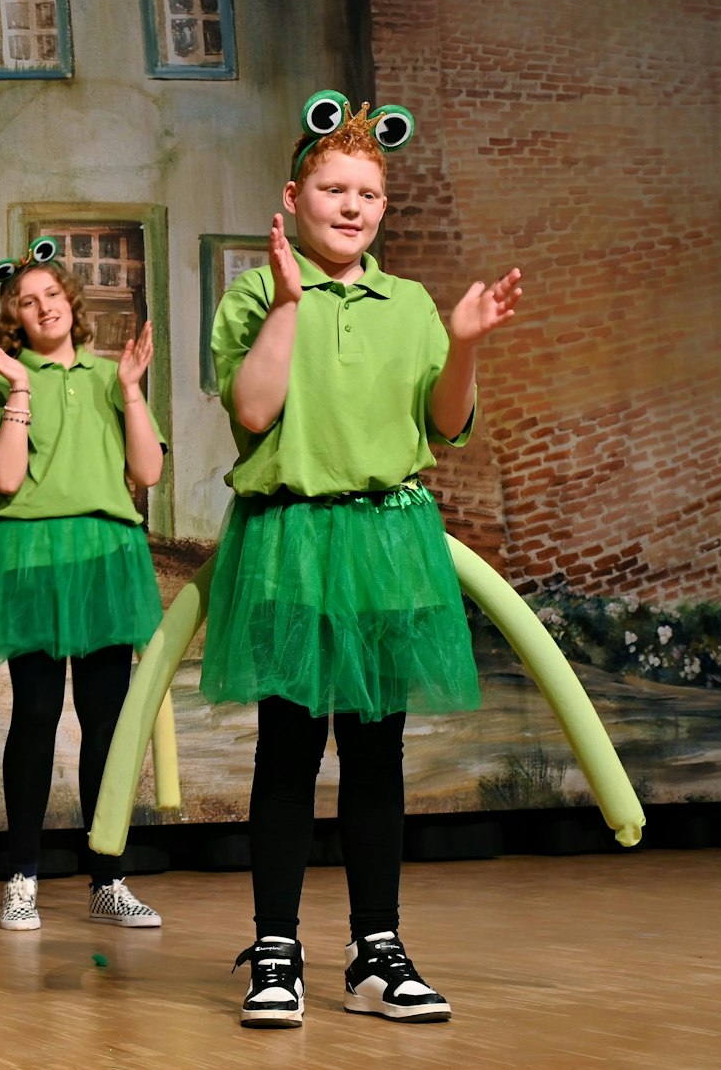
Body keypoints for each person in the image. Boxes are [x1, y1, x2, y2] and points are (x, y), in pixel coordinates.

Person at [209, 93, 521, 1028]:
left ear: (383, 207)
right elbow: (255, 412)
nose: (351, 206)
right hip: (294, 540)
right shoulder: (256, 293)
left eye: (368, 194)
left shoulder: (412, 303)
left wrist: (462, 345)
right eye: (333, 188)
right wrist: (293, 306)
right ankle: (276, 947)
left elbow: (448, 424)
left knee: (377, 749)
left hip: (389, 541)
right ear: (293, 195)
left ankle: (376, 949)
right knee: (290, 746)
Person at [0, 239, 168, 934]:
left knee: (106, 719)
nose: (41, 306)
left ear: (72, 305)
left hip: (105, 553)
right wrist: (18, 388)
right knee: (36, 714)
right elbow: (7, 479)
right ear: (15, 316)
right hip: (32, 554)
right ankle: (22, 878)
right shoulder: (4, 381)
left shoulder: (110, 378)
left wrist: (132, 388)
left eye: (51, 295)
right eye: (25, 300)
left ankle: (108, 879)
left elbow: (148, 471)